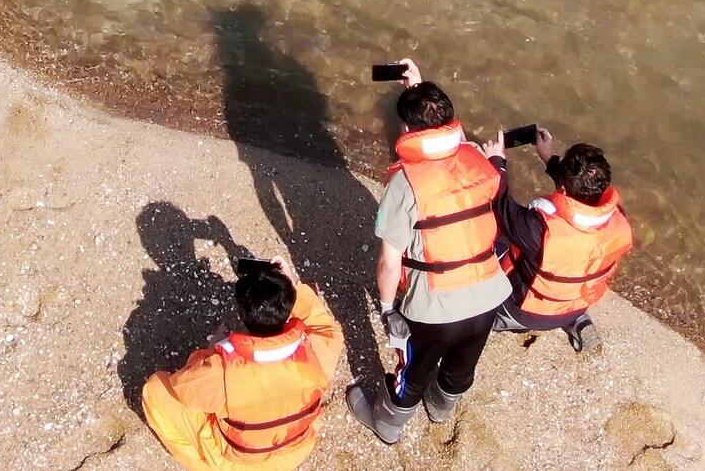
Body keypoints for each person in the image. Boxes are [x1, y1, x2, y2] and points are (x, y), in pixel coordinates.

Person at [347, 59, 512, 443]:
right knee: (461, 366)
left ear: (406, 130)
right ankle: (441, 406)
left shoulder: (405, 184)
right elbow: (456, 144)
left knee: (413, 371)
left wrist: (387, 309)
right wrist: (417, 88)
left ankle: (388, 423)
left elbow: (389, 264)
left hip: (434, 311)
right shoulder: (480, 160)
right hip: (489, 297)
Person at [141, 256, 343, 470]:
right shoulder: (316, 351)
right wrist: (293, 284)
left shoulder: (222, 371)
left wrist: (210, 351)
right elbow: (327, 329)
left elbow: (184, 386)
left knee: (156, 389)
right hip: (295, 451)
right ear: (289, 306)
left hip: (241, 462)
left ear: (242, 314)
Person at [480, 127, 634, 353]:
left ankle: (493, 319)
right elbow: (577, 199)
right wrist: (550, 159)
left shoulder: (540, 229)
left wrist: (496, 162)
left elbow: (500, 205)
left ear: (563, 186)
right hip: (576, 304)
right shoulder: (619, 220)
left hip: (525, 312)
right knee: (575, 271)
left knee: (490, 244)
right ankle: (577, 320)